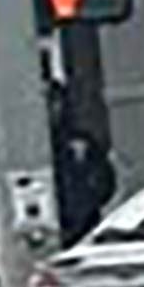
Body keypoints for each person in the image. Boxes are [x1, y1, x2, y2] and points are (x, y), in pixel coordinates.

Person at [48, 80, 118, 249]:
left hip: (85, 222)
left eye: (58, 102)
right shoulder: (44, 147)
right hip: (62, 221)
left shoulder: (80, 142)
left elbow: (105, 178)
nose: (55, 109)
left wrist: (90, 200)